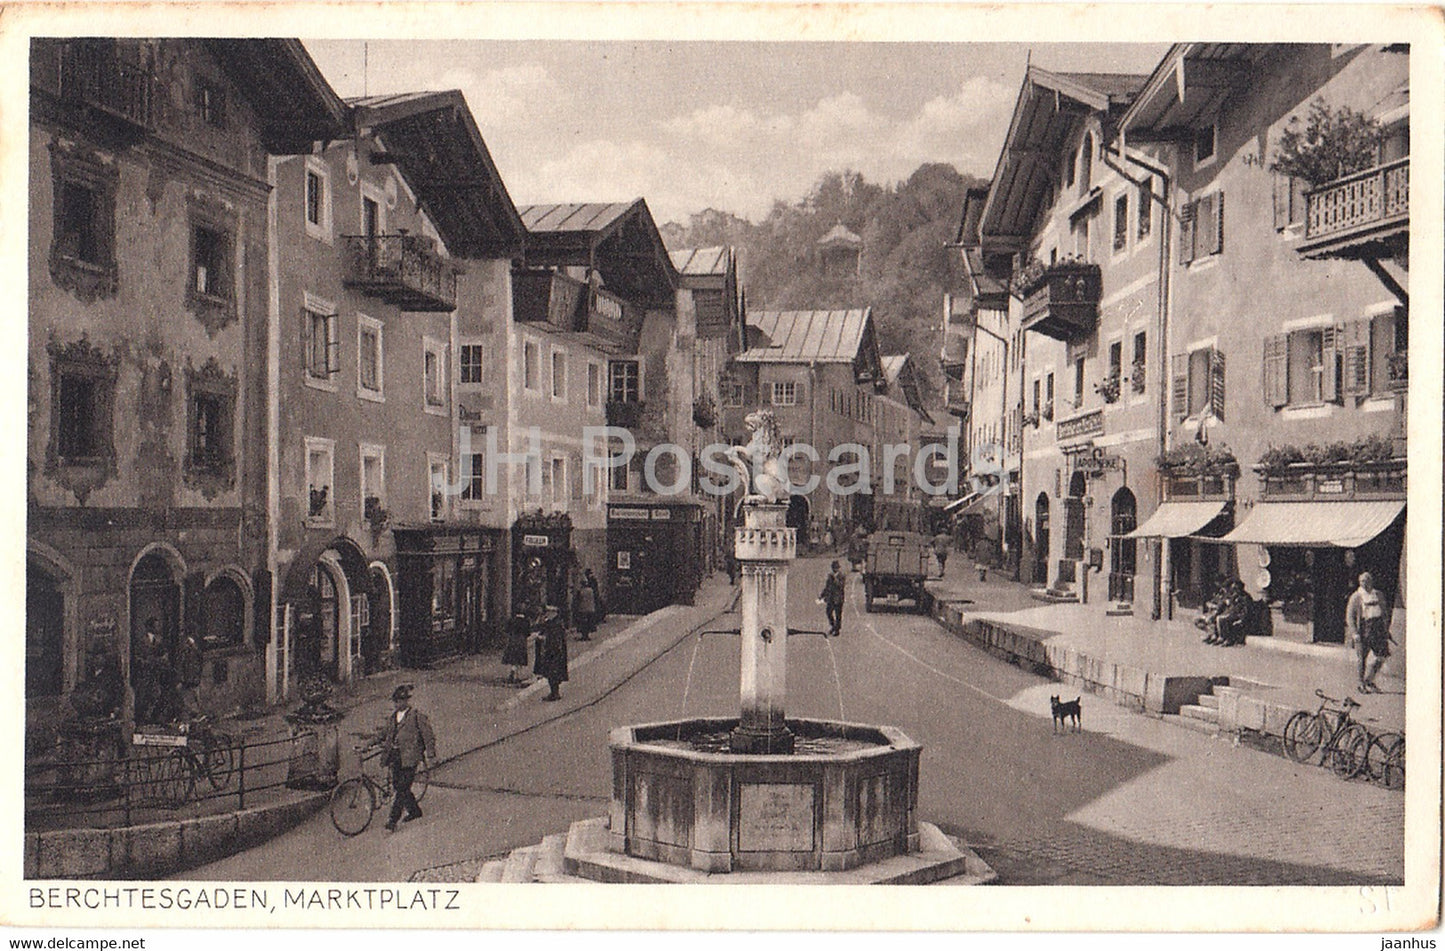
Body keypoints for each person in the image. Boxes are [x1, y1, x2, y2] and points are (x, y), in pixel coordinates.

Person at [378, 684, 436, 832]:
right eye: (396, 701)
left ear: (406, 701)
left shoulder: (416, 716)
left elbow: (428, 736)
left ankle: (392, 820)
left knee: (403, 787)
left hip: (411, 757)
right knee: (399, 786)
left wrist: (431, 755)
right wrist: (367, 745)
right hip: (396, 757)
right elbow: (383, 734)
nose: (398, 704)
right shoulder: (393, 718)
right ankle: (415, 811)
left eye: (401, 701)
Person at [1346, 571, 1391, 693]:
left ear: (1371, 581)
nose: (1364, 583)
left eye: (1366, 581)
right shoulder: (1356, 597)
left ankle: (1369, 680)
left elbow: (1385, 613)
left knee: (1382, 656)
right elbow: (1350, 616)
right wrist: (1355, 633)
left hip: (1378, 629)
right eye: (1362, 581)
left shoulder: (1378, 595)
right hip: (1364, 629)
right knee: (1362, 658)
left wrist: (1386, 629)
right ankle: (1361, 683)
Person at [534, 607, 569, 701]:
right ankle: (554, 692)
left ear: (554, 613)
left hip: (554, 652)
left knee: (553, 673)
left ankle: (555, 693)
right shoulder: (553, 622)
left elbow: (554, 639)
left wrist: (542, 639)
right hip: (553, 652)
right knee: (552, 673)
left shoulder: (555, 624)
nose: (547, 614)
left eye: (548, 612)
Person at [174, 629, 203, 719]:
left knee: (194, 695)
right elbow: (180, 665)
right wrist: (180, 679)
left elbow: (199, 659)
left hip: (192, 677)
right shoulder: (182, 652)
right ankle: (191, 713)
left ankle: (196, 713)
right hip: (187, 678)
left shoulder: (193, 650)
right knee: (186, 697)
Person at [1214, 580, 1251, 647]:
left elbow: (1246, 610)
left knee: (1223, 619)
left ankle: (1228, 639)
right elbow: (1229, 604)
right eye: (1234, 589)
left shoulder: (1245, 597)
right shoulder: (1235, 596)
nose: (1235, 591)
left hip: (1239, 616)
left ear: (1241, 588)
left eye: (1236, 589)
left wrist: (1241, 619)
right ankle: (1221, 637)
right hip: (1233, 614)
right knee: (1219, 618)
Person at [502, 612, 532, 684]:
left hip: (512, 639)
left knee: (513, 658)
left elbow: (506, 630)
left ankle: (513, 671)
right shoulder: (526, 621)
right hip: (521, 641)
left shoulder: (511, 620)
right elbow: (528, 633)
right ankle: (517, 676)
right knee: (519, 659)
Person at [820, 560, 847, 638]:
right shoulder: (830, 576)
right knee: (828, 612)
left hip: (838, 598)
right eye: (833, 568)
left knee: (838, 615)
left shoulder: (842, 576)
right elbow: (827, 587)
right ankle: (833, 625)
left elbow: (841, 586)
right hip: (831, 598)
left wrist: (835, 579)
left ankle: (837, 629)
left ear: (838, 568)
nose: (835, 570)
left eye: (836, 568)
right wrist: (822, 595)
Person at [575, 569, 600, 640]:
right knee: (588, 623)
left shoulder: (581, 591)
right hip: (590, 609)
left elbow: (578, 600)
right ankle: (587, 635)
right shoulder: (591, 590)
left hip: (582, 609)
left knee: (583, 623)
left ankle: (584, 636)